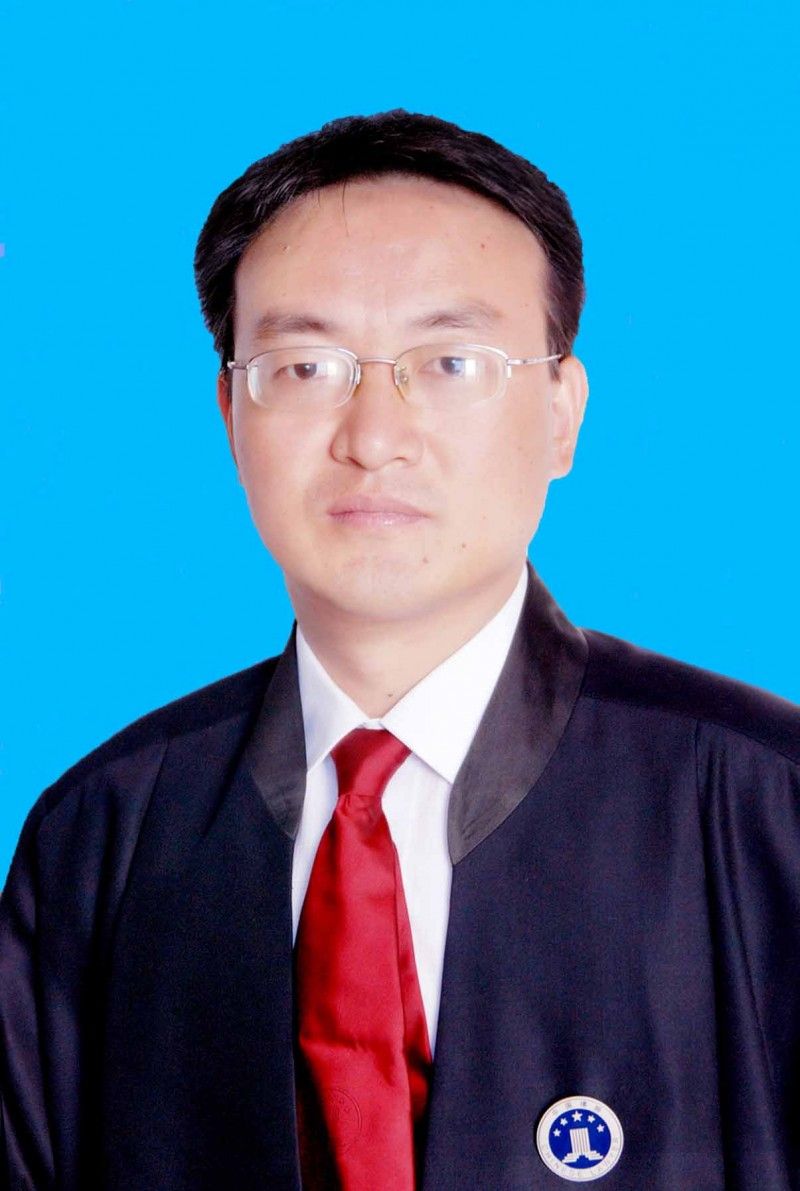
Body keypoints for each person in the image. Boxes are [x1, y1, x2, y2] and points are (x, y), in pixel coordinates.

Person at [1, 109, 798, 1191]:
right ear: (230, 413)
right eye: (304, 367)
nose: (373, 436)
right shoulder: (101, 838)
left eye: (450, 361)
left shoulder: (763, 803)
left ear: (562, 413)